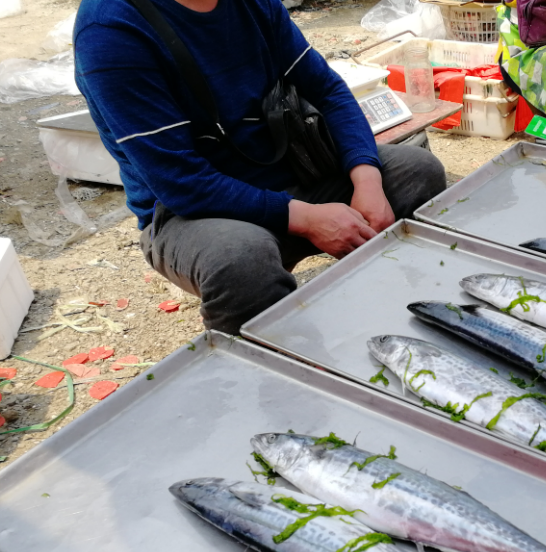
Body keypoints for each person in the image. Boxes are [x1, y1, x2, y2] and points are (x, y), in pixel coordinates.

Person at [73, 0, 447, 335]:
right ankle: (266, 375)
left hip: (295, 174)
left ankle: (399, 311)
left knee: (416, 172)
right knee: (241, 263)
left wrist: (367, 180)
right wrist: (309, 219)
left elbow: (328, 91)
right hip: (194, 212)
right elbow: (181, 182)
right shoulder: (111, 29)